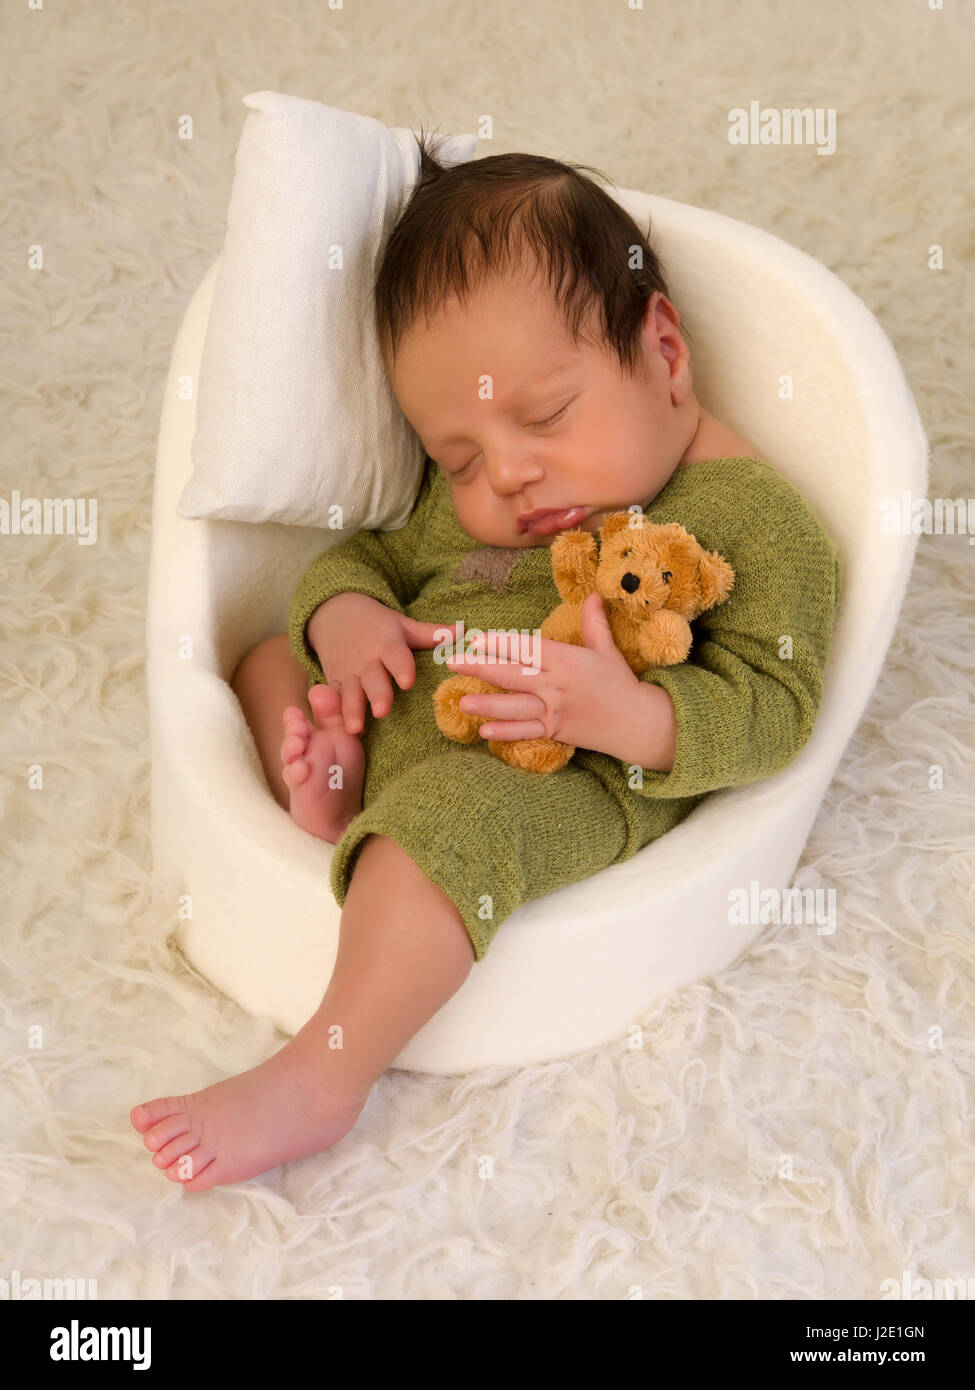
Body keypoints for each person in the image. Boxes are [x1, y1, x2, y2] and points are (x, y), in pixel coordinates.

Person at [131, 135, 841, 1191]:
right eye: (457, 456)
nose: (506, 473)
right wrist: (350, 622)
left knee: (452, 823)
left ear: (666, 351)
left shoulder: (755, 523)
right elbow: (360, 557)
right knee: (266, 656)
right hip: (417, 707)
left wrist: (631, 714)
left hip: (552, 779)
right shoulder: (487, 501)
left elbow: (775, 707)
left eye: (546, 415)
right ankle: (339, 789)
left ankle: (323, 1072)